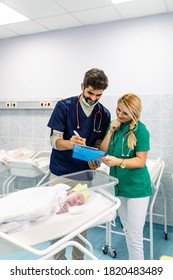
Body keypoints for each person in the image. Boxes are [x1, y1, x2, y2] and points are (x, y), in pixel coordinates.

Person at [47, 68, 110, 260]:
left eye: (98, 95)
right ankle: (58, 264)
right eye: (90, 93)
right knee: (56, 223)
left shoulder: (103, 114)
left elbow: (98, 144)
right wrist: (70, 143)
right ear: (82, 87)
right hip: (60, 173)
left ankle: (77, 264)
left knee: (80, 224)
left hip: (83, 176)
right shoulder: (64, 107)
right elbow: (54, 140)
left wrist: (94, 160)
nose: (92, 99)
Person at [99, 93, 152, 260]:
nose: (120, 115)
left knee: (135, 235)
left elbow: (141, 161)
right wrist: (110, 131)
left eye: (125, 113)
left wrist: (118, 161)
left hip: (137, 189)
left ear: (134, 114)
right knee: (128, 231)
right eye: (118, 110)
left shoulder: (141, 130)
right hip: (119, 186)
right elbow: (103, 150)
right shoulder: (114, 125)